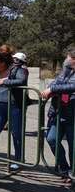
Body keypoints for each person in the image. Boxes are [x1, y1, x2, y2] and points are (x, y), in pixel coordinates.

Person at [0, 52, 28, 171]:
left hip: (15, 106)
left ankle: (18, 160)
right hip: (0, 105)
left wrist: (4, 81)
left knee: (16, 134)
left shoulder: (18, 70)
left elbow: (21, 81)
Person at [41, 47, 75, 182]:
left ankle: (72, 177)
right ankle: (65, 169)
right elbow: (57, 82)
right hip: (58, 112)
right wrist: (53, 88)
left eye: (68, 57)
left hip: (72, 114)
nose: (66, 59)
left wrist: (53, 89)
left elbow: (71, 86)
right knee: (51, 139)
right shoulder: (66, 70)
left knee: (73, 147)